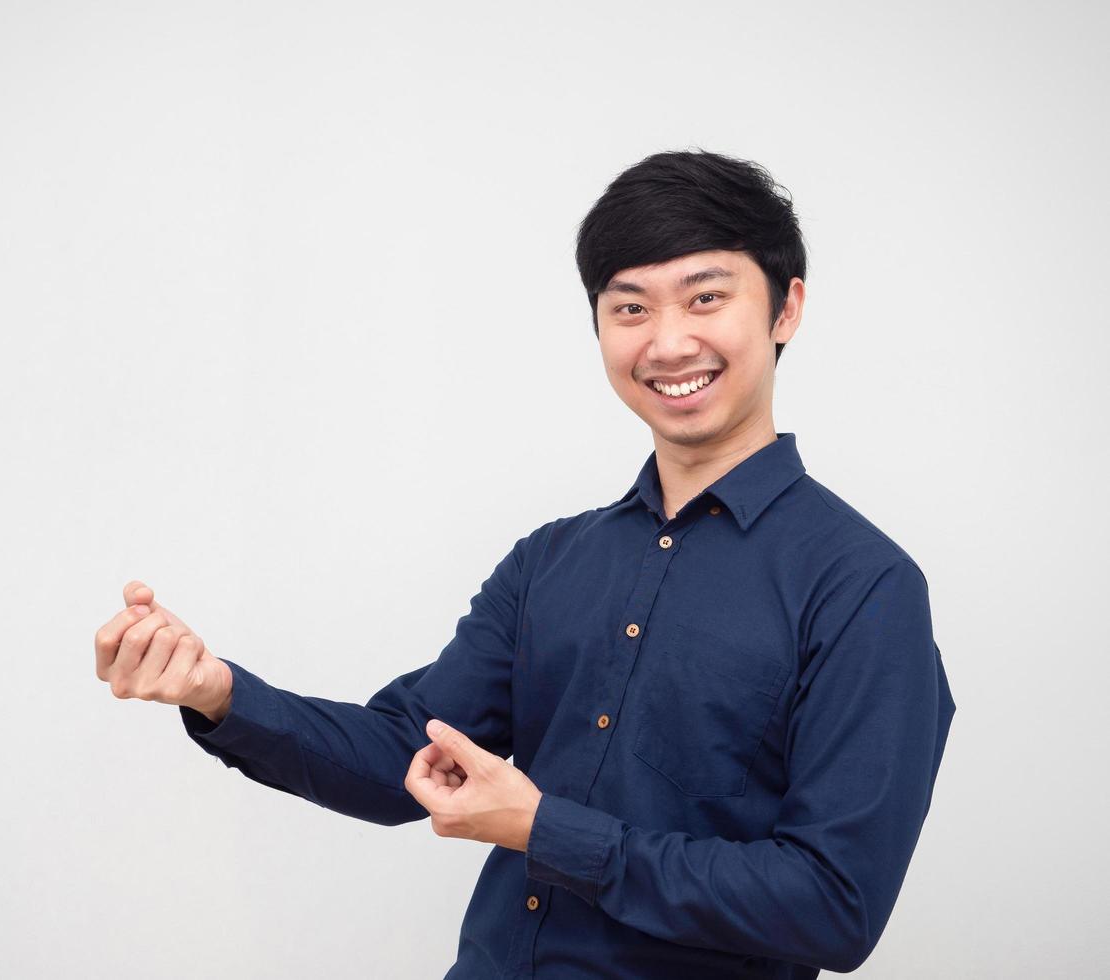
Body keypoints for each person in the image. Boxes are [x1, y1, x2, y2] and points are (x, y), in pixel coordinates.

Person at [94, 148, 956, 979]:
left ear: (784, 309)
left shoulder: (862, 586)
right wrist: (214, 690)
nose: (666, 343)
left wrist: (545, 830)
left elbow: (832, 906)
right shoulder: (550, 560)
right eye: (630, 309)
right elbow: (405, 756)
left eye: (703, 298)